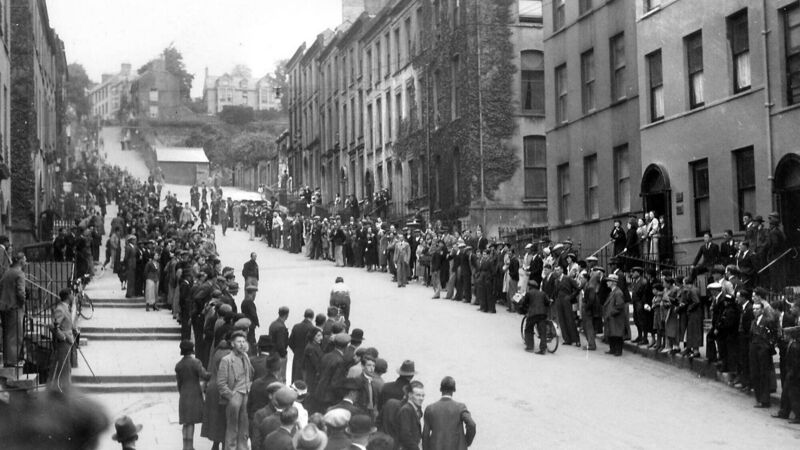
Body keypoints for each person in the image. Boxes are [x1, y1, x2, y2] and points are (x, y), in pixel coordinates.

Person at [217, 331, 255, 450]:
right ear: (232, 344)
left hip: (246, 394)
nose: (242, 344)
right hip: (235, 395)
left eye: (243, 342)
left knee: (244, 427)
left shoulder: (246, 357)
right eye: (239, 342)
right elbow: (221, 383)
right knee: (232, 427)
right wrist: (231, 396)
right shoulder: (226, 360)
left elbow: (251, 374)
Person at [422, 376, 476, 450]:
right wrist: (466, 442)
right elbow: (472, 424)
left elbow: (425, 435)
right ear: (454, 390)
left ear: (440, 389)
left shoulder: (430, 409)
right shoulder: (460, 407)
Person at [176, 340, 211, 450]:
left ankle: (185, 446)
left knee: (186, 423)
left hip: (183, 395)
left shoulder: (179, 365)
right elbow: (204, 375)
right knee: (191, 422)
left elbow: (179, 383)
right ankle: (189, 447)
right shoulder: (196, 363)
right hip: (194, 395)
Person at [750, 300, 778, 408]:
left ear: (762, 310)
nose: (755, 311)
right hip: (754, 350)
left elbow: (773, 335)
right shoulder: (753, 322)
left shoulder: (767, 321)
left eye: (757, 309)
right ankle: (758, 398)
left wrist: (767, 345)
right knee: (755, 373)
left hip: (763, 350)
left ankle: (765, 400)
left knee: (764, 374)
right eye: (754, 309)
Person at [0, 253, 27, 367]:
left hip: (4, 306)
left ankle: (7, 360)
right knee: (16, 335)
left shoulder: (7, 272)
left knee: (7, 334)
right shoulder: (19, 273)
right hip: (15, 307)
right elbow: (20, 292)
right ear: (21, 261)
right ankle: (12, 361)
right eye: (25, 260)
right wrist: (24, 300)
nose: (26, 262)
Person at [49, 288, 75, 391]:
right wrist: (63, 337)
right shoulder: (60, 309)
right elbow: (53, 326)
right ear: (68, 296)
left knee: (67, 365)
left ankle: (66, 387)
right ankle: (63, 389)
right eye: (72, 294)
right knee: (64, 366)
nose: (73, 296)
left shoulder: (66, 307)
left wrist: (73, 329)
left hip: (69, 340)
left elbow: (65, 324)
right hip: (63, 342)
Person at [521, 280, 550, 354]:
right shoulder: (542, 293)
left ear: (529, 287)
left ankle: (530, 346)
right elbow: (547, 302)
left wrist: (523, 308)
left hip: (533, 314)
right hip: (542, 314)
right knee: (543, 331)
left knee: (528, 329)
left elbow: (524, 303)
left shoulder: (529, 293)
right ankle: (543, 348)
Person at [289, 308, 316, 382]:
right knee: (305, 380)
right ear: (313, 317)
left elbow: (290, 342)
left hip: (297, 355)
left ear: (304, 316)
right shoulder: (313, 328)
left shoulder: (296, 326)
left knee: (295, 379)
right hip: (307, 358)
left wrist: (296, 350)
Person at [603, 274, 627, 356]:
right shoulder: (614, 291)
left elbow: (620, 306)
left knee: (617, 334)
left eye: (609, 281)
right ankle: (613, 349)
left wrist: (611, 313)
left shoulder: (618, 292)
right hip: (613, 317)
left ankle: (618, 351)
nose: (607, 283)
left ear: (613, 282)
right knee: (612, 333)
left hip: (616, 317)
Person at [397, 380, 425, 450]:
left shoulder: (415, 409)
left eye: (423, 395)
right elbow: (405, 435)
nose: (421, 398)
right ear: (410, 395)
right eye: (418, 395)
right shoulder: (406, 410)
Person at [269, 306, 290, 382]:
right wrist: (284, 354)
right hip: (280, 356)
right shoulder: (281, 327)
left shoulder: (273, 324)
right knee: (281, 378)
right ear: (287, 315)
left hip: (272, 354)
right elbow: (280, 344)